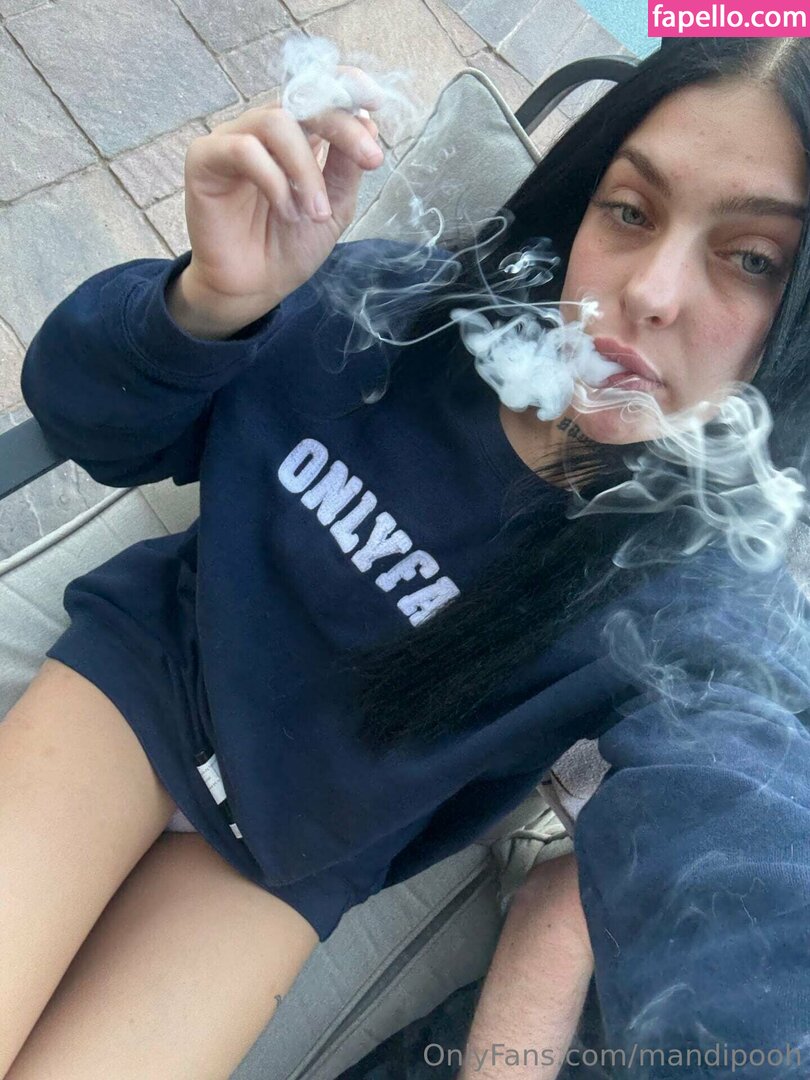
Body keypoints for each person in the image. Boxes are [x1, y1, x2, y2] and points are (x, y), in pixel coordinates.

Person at [3, 33, 810, 1080]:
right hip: (143, 683)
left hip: (286, 861)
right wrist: (207, 303)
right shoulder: (395, 316)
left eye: (752, 260)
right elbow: (86, 417)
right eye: (630, 210)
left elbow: (748, 818)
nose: (651, 292)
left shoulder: (701, 594)